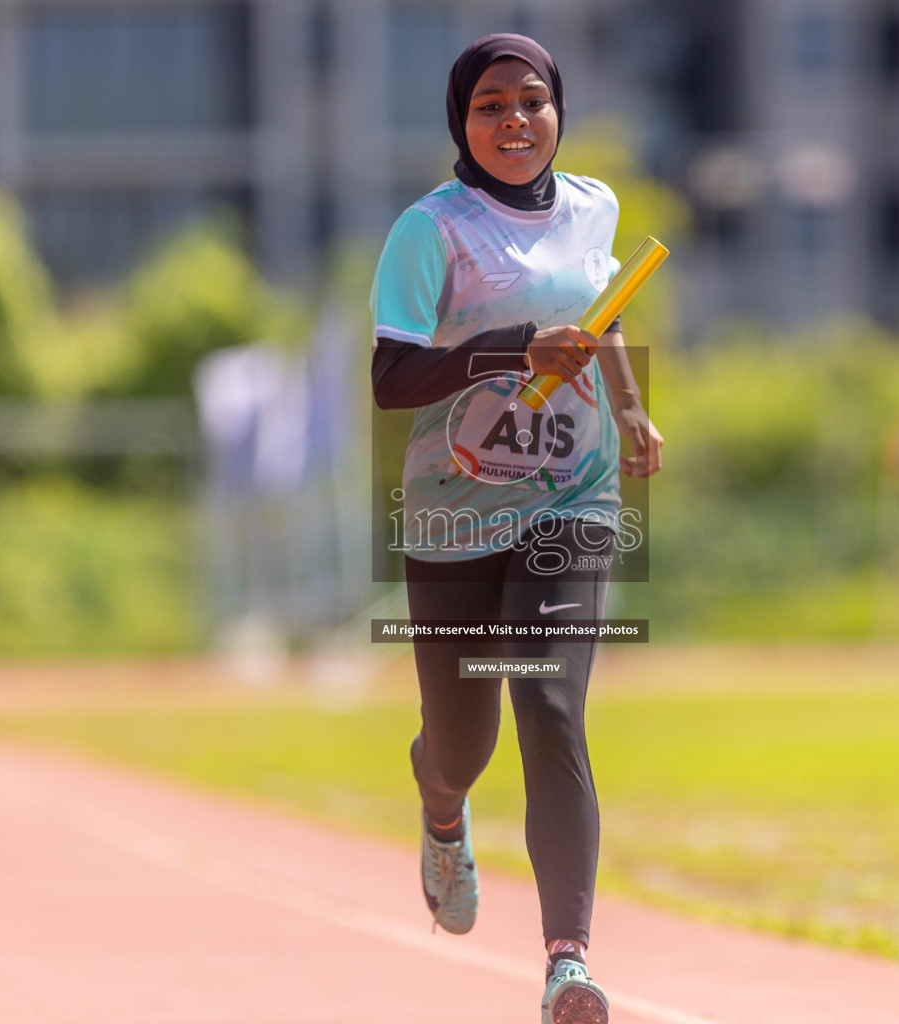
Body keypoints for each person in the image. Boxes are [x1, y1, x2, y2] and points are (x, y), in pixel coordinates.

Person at [369, 33, 662, 1024]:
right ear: (462, 121)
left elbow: (602, 312)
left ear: (557, 111)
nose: (515, 120)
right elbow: (391, 379)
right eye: (492, 104)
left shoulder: (595, 207)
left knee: (550, 700)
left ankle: (566, 964)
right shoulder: (430, 230)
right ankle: (439, 803)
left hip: (568, 498)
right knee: (465, 740)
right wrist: (506, 350)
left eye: (532, 101)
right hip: (453, 514)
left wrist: (626, 411)